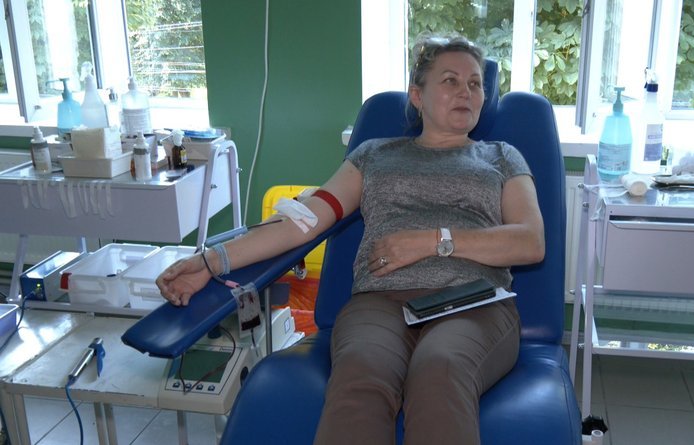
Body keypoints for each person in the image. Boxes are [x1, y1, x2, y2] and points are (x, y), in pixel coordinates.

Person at [156, 35, 545, 445]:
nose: (466, 91)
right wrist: (212, 260)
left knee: (440, 369)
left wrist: (433, 241)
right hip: (381, 301)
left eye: (475, 84)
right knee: (361, 372)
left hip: (474, 302)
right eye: (450, 80)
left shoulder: (502, 157)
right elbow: (304, 221)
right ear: (417, 95)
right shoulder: (373, 154)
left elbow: (530, 240)